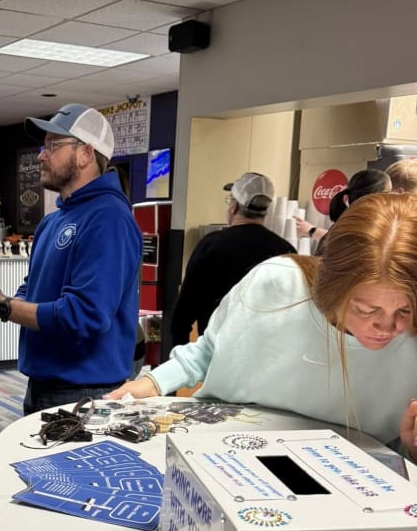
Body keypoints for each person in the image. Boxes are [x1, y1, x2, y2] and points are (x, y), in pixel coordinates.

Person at [106, 192, 417, 451]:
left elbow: (396, 455)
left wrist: (410, 449)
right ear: (329, 285)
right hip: (223, 447)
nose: (389, 327)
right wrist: (155, 382)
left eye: (405, 311)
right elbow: (210, 349)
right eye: (366, 309)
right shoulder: (277, 285)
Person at [0, 103, 143, 415]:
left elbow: (85, 315)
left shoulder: (108, 218)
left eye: (52, 146)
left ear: (86, 154)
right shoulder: (54, 220)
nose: (41, 156)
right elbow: (33, 288)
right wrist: (3, 301)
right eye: (43, 147)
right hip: (44, 384)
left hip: (85, 392)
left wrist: (2, 306)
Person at [169, 173, 294, 348]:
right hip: (266, 358)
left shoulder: (211, 246)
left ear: (234, 207)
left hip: (216, 356)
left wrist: (178, 361)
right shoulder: (285, 251)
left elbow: (183, 315)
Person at [294, 168, 391, 248]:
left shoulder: (347, 224)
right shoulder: (372, 227)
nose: (394, 197)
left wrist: (311, 231)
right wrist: (311, 231)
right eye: (389, 193)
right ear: (376, 198)